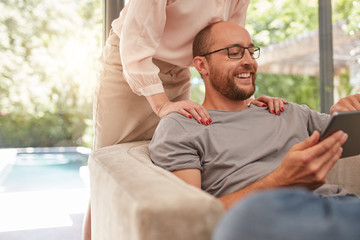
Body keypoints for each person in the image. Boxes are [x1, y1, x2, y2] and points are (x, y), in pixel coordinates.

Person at [85, 1, 288, 239]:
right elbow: (135, 43)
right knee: (112, 172)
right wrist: (161, 104)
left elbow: (229, 43)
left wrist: (244, 97)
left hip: (179, 70)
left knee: (166, 158)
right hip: (129, 62)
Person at [149, 21, 360, 239]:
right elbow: (192, 218)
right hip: (269, 219)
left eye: (251, 51)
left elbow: (348, 137)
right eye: (235, 53)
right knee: (251, 218)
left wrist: (349, 111)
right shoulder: (182, 125)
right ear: (202, 65)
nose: (249, 61)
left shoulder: (286, 110)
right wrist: (281, 180)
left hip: (344, 207)